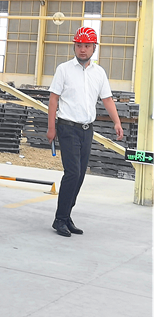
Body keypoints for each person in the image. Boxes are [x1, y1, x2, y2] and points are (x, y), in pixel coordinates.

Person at [46, 27, 123, 237]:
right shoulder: (64, 70)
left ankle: (66, 215)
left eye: (87, 46)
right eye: (79, 45)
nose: (82, 49)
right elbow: (53, 99)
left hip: (87, 130)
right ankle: (59, 219)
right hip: (67, 127)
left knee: (79, 175)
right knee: (72, 173)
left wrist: (117, 122)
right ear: (74, 46)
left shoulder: (99, 73)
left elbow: (107, 99)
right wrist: (51, 128)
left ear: (94, 48)